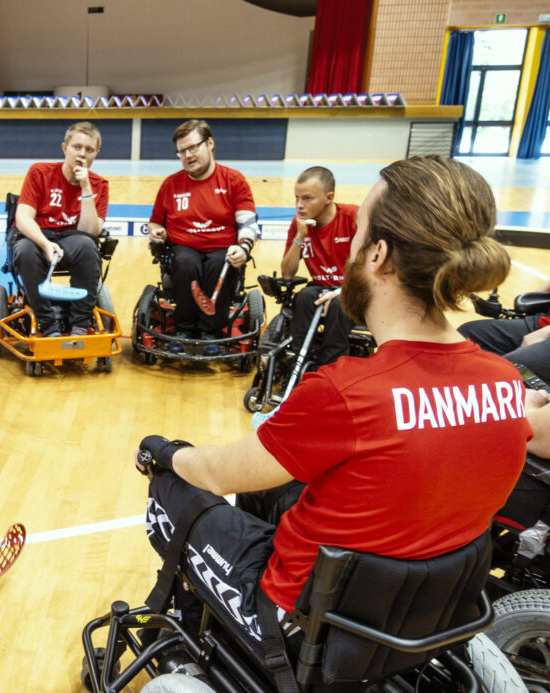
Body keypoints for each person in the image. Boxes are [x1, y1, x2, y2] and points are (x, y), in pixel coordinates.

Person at [135, 155, 531, 647]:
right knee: (270, 492)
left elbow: (217, 473)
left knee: (172, 488)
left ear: (378, 255)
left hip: (305, 622)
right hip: (422, 616)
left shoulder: (344, 392)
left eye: (359, 229)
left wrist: (165, 451)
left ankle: (196, 626)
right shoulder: (504, 380)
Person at [148, 119, 257, 356]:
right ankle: (184, 329)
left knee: (219, 263)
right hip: (184, 247)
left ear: (210, 144)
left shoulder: (234, 180)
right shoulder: (171, 184)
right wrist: (156, 231)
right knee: (185, 262)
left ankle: (211, 332)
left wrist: (244, 248)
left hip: (222, 248)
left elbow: (248, 224)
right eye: (182, 151)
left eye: (193, 148)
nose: (187, 155)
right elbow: (155, 221)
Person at [13, 121, 109, 337]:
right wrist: (45, 244)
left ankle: (80, 325)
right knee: (25, 250)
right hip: (39, 237)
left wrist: (86, 188)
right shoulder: (40, 172)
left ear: (96, 154)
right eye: (77, 147)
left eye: (89, 150)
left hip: (73, 240)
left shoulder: (99, 185)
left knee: (87, 246)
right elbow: (23, 217)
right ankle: (47, 325)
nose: (82, 154)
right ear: (65, 148)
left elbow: (89, 232)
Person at [278, 166, 358, 368]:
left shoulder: (353, 218)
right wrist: (299, 237)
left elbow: (371, 269)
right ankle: (300, 362)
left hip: (354, 288)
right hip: (321, 287)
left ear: (329, 197)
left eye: (307, 198)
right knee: (303, 297)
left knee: (341, 304)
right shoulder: (299, 225)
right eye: (297, 197)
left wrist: (342, 291)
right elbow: (287, 274)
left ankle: (330, 366)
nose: (299, 205)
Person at [458, 278, 550, 384]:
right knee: (468, 335)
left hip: (546, 331)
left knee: (512, 367)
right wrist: (532, 300)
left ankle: (541, 395)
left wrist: (545, 333)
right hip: (542, 320)